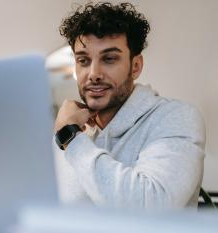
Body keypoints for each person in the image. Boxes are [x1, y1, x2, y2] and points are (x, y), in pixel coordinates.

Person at [54, 2, 205, 209]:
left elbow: (149, 207)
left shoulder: (176, 118)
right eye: (83, 60)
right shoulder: (71, 128)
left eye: (109, 59)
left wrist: (70, 138)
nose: (94, 74)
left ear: (135, 66)